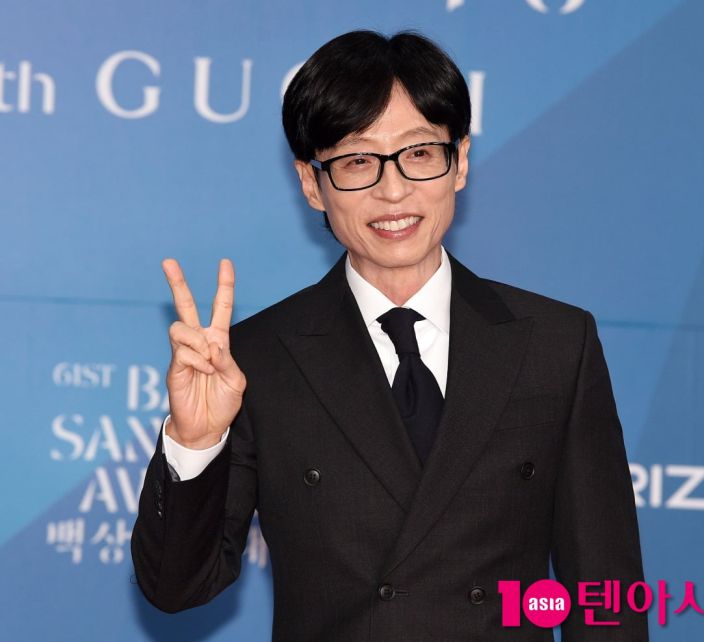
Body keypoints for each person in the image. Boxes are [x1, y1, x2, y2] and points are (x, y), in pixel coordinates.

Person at [131, 30, 648, 641]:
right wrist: (195, 442)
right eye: (357, 161)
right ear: (311, 183)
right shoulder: (258, 359)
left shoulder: (555, 344)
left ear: (460, 161)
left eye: (419, 153)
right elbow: (178, 588)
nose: (393, 190)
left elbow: (605, 593)